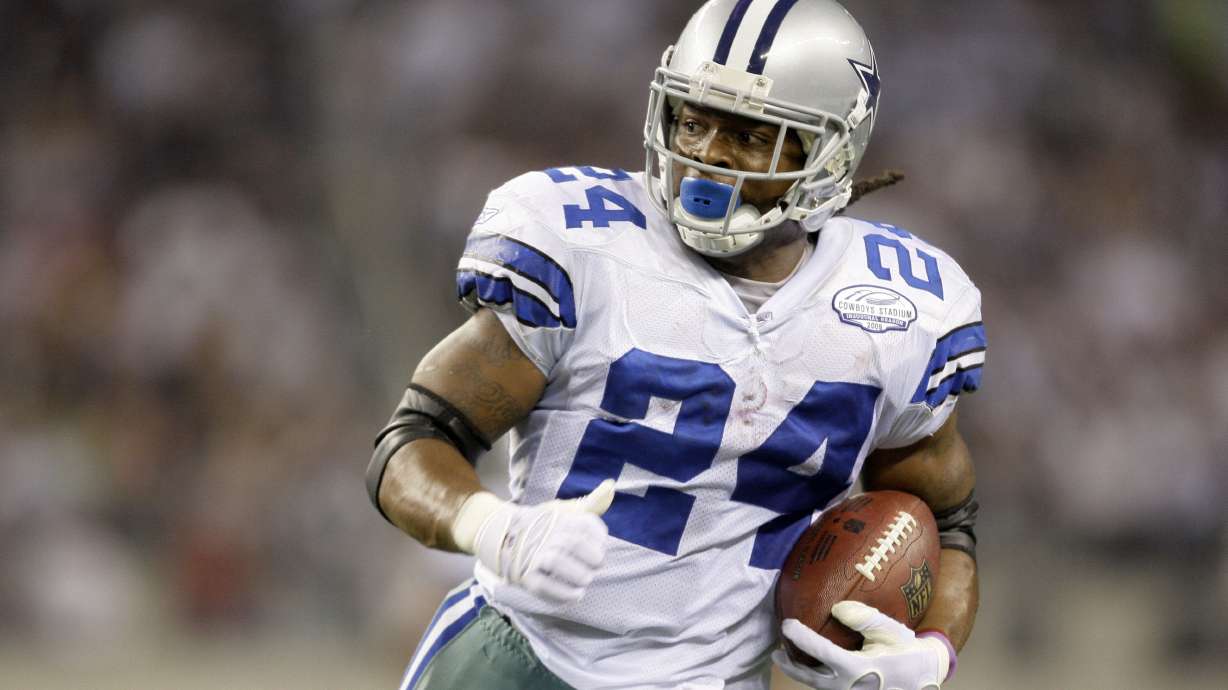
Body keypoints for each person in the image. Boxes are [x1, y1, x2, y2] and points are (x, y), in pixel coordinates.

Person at [367, 1, 985, 688]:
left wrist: (931, 655)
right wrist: (495, 529)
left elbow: (946, 520)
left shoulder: (902, 310)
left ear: (829, 155)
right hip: (524, 660)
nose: (706, 156)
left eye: (752, 137)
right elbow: (412, 443)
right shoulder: (585, 245)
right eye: (693, 121)